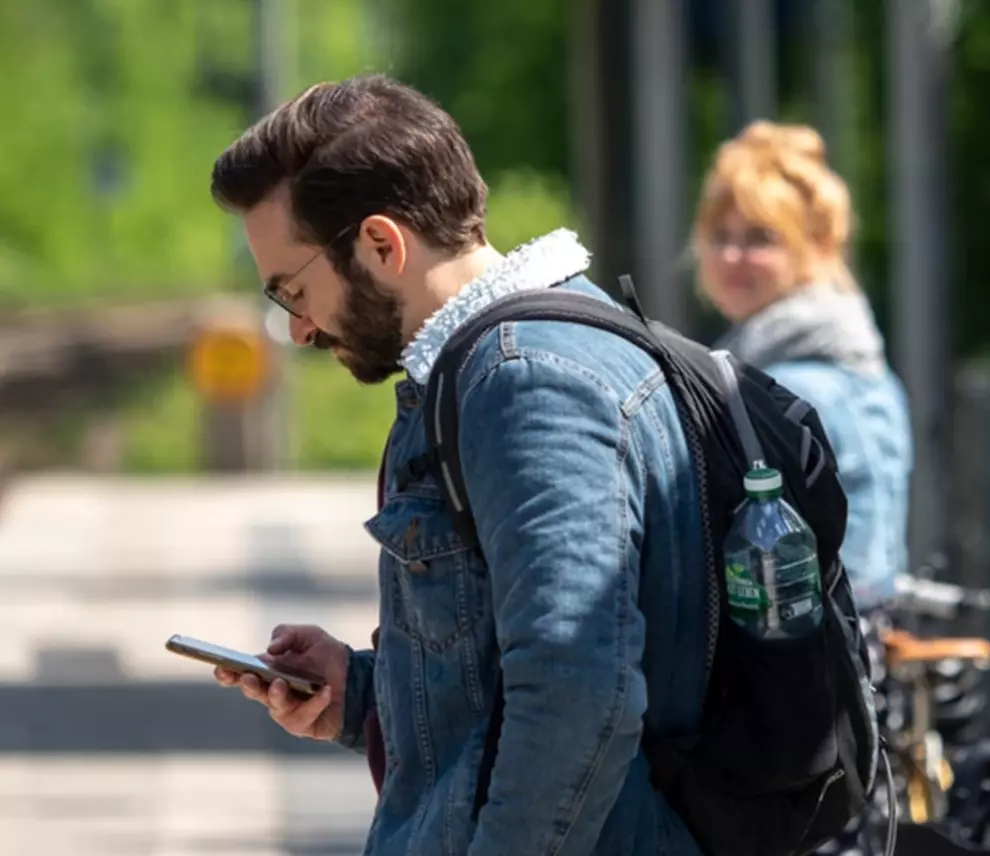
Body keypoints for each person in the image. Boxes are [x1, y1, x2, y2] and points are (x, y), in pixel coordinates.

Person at [207, 74, 710, 855]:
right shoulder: (540, 353)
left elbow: (578, 688)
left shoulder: (527, 385)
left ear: (381, 243)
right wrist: (365, 696)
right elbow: (512, 681)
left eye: (293, 292)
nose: (300, 330)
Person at [693, 119, 912, 612]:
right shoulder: (866, 366)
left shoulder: (778, 387)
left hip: (802, 654)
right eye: (719, 235)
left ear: (815, 247)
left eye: (759, 238)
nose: (732, 255)